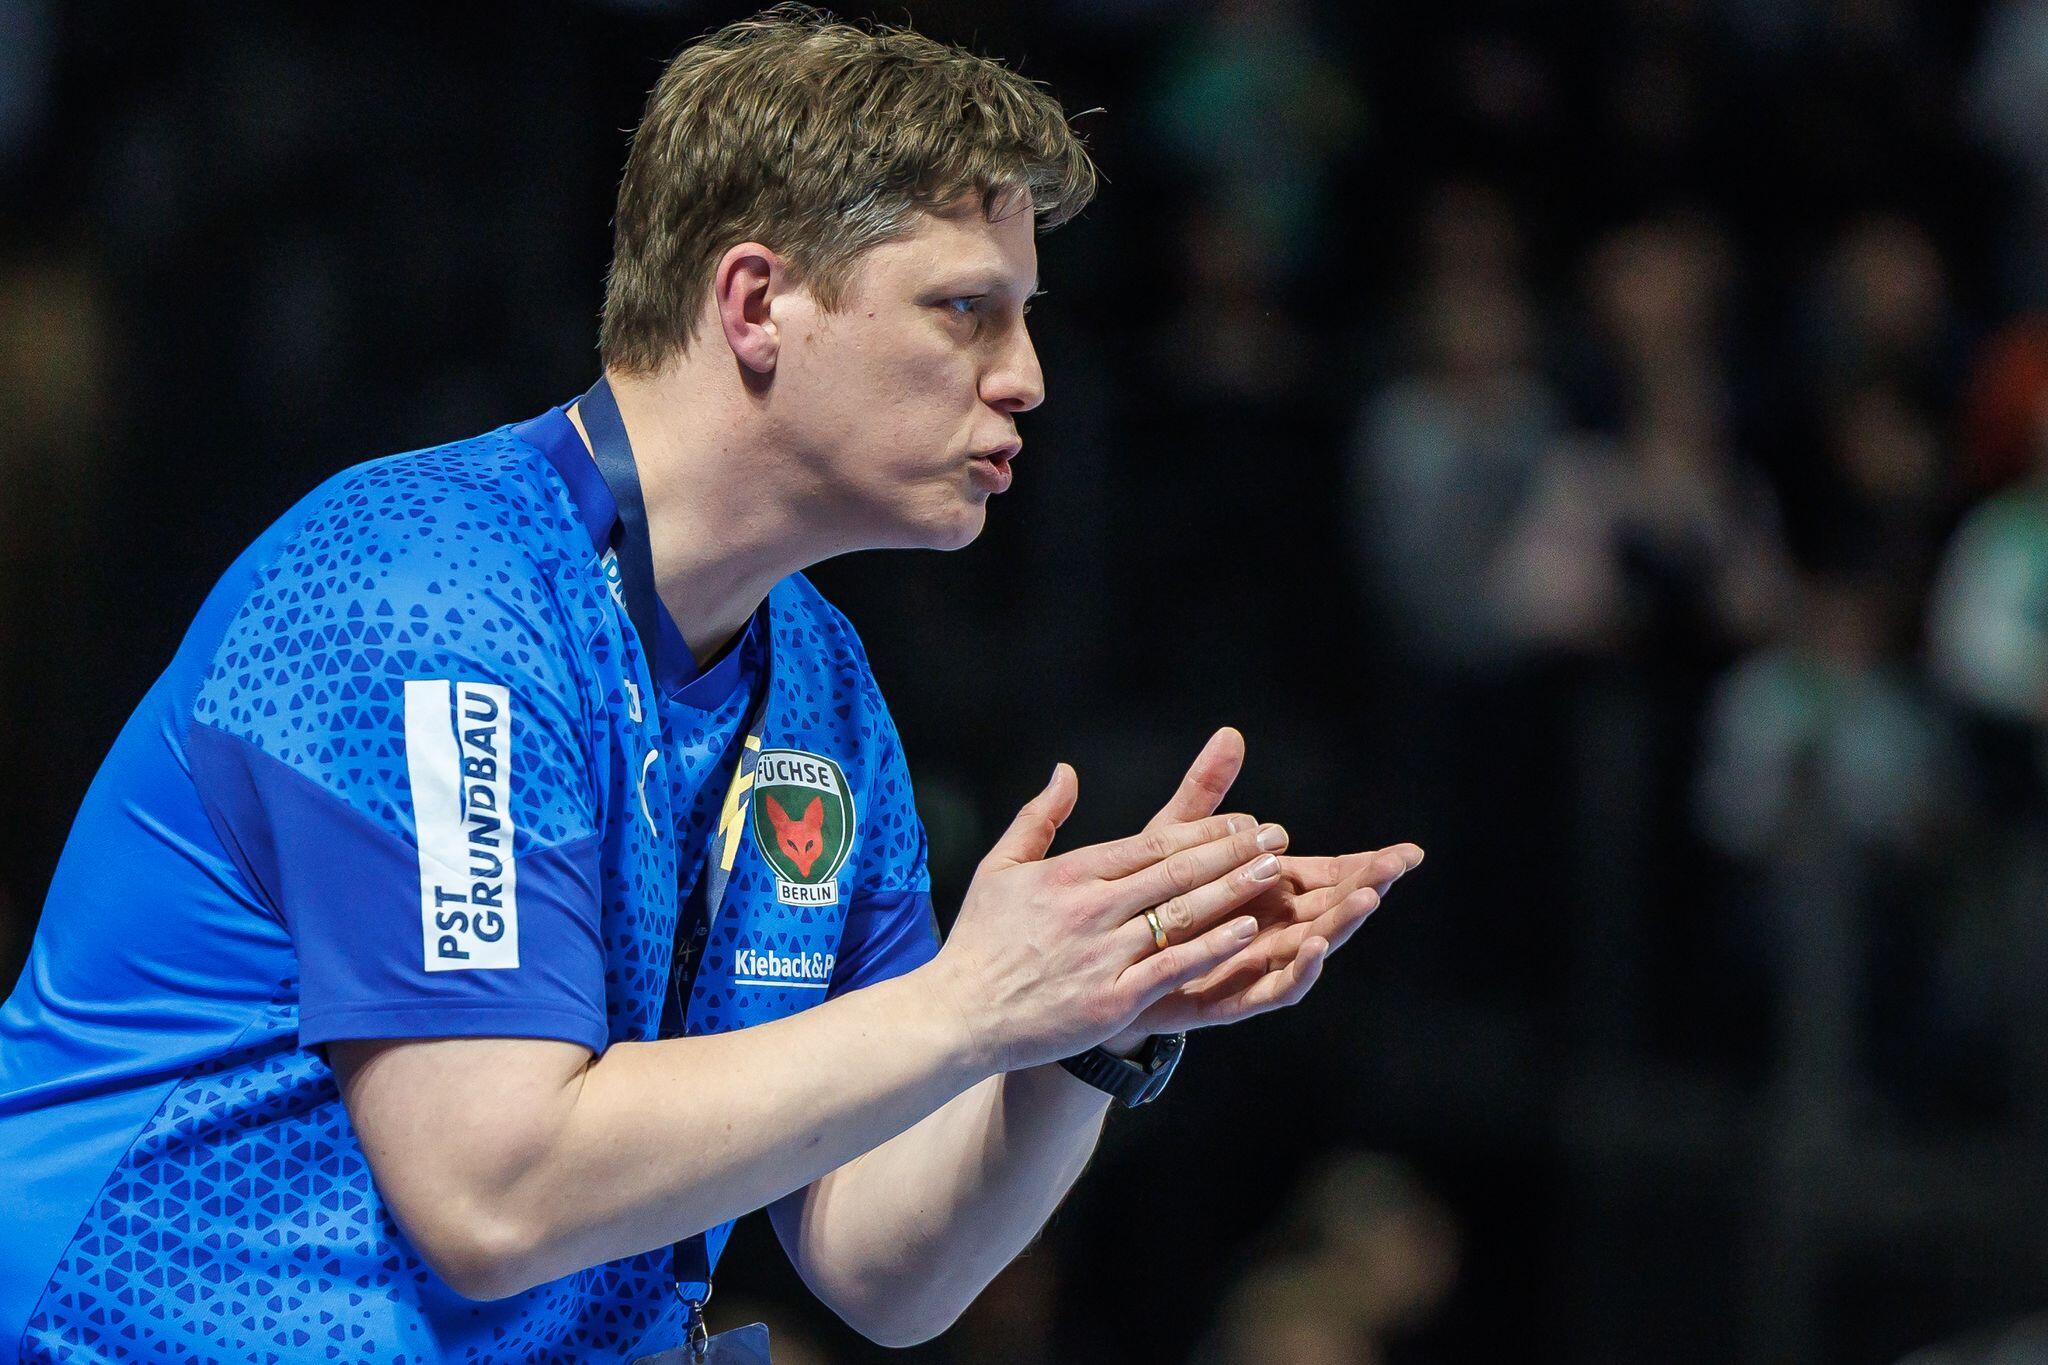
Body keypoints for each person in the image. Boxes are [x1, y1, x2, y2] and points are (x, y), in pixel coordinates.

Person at [0, 9, 1419, 1361]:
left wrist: (1090, 1026)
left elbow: (885, 1268)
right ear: (756, 302)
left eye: (1025, 317)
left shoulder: (820, 681)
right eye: (965, 311)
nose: (1028, 379)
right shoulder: (428, 592)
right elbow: (491, 1192)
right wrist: (978, 999)